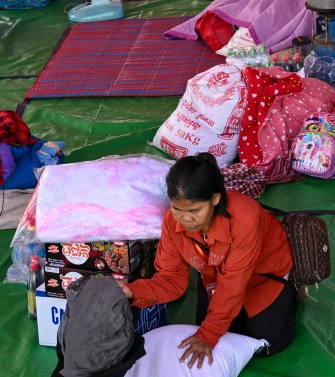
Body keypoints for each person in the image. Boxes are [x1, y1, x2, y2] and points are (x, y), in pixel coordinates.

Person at [121, 154, 297, 366]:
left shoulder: (245, 218)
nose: (185, 219)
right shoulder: (171, 222)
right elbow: (171, 281)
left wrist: (207, 335)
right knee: (219, 331)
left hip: (263, 274)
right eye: (177, 209)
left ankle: (291, 291)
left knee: (266, 344)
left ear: (215, 198)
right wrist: (132, 291)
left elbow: (233, 284)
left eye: (194, 210)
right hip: (213, 274)